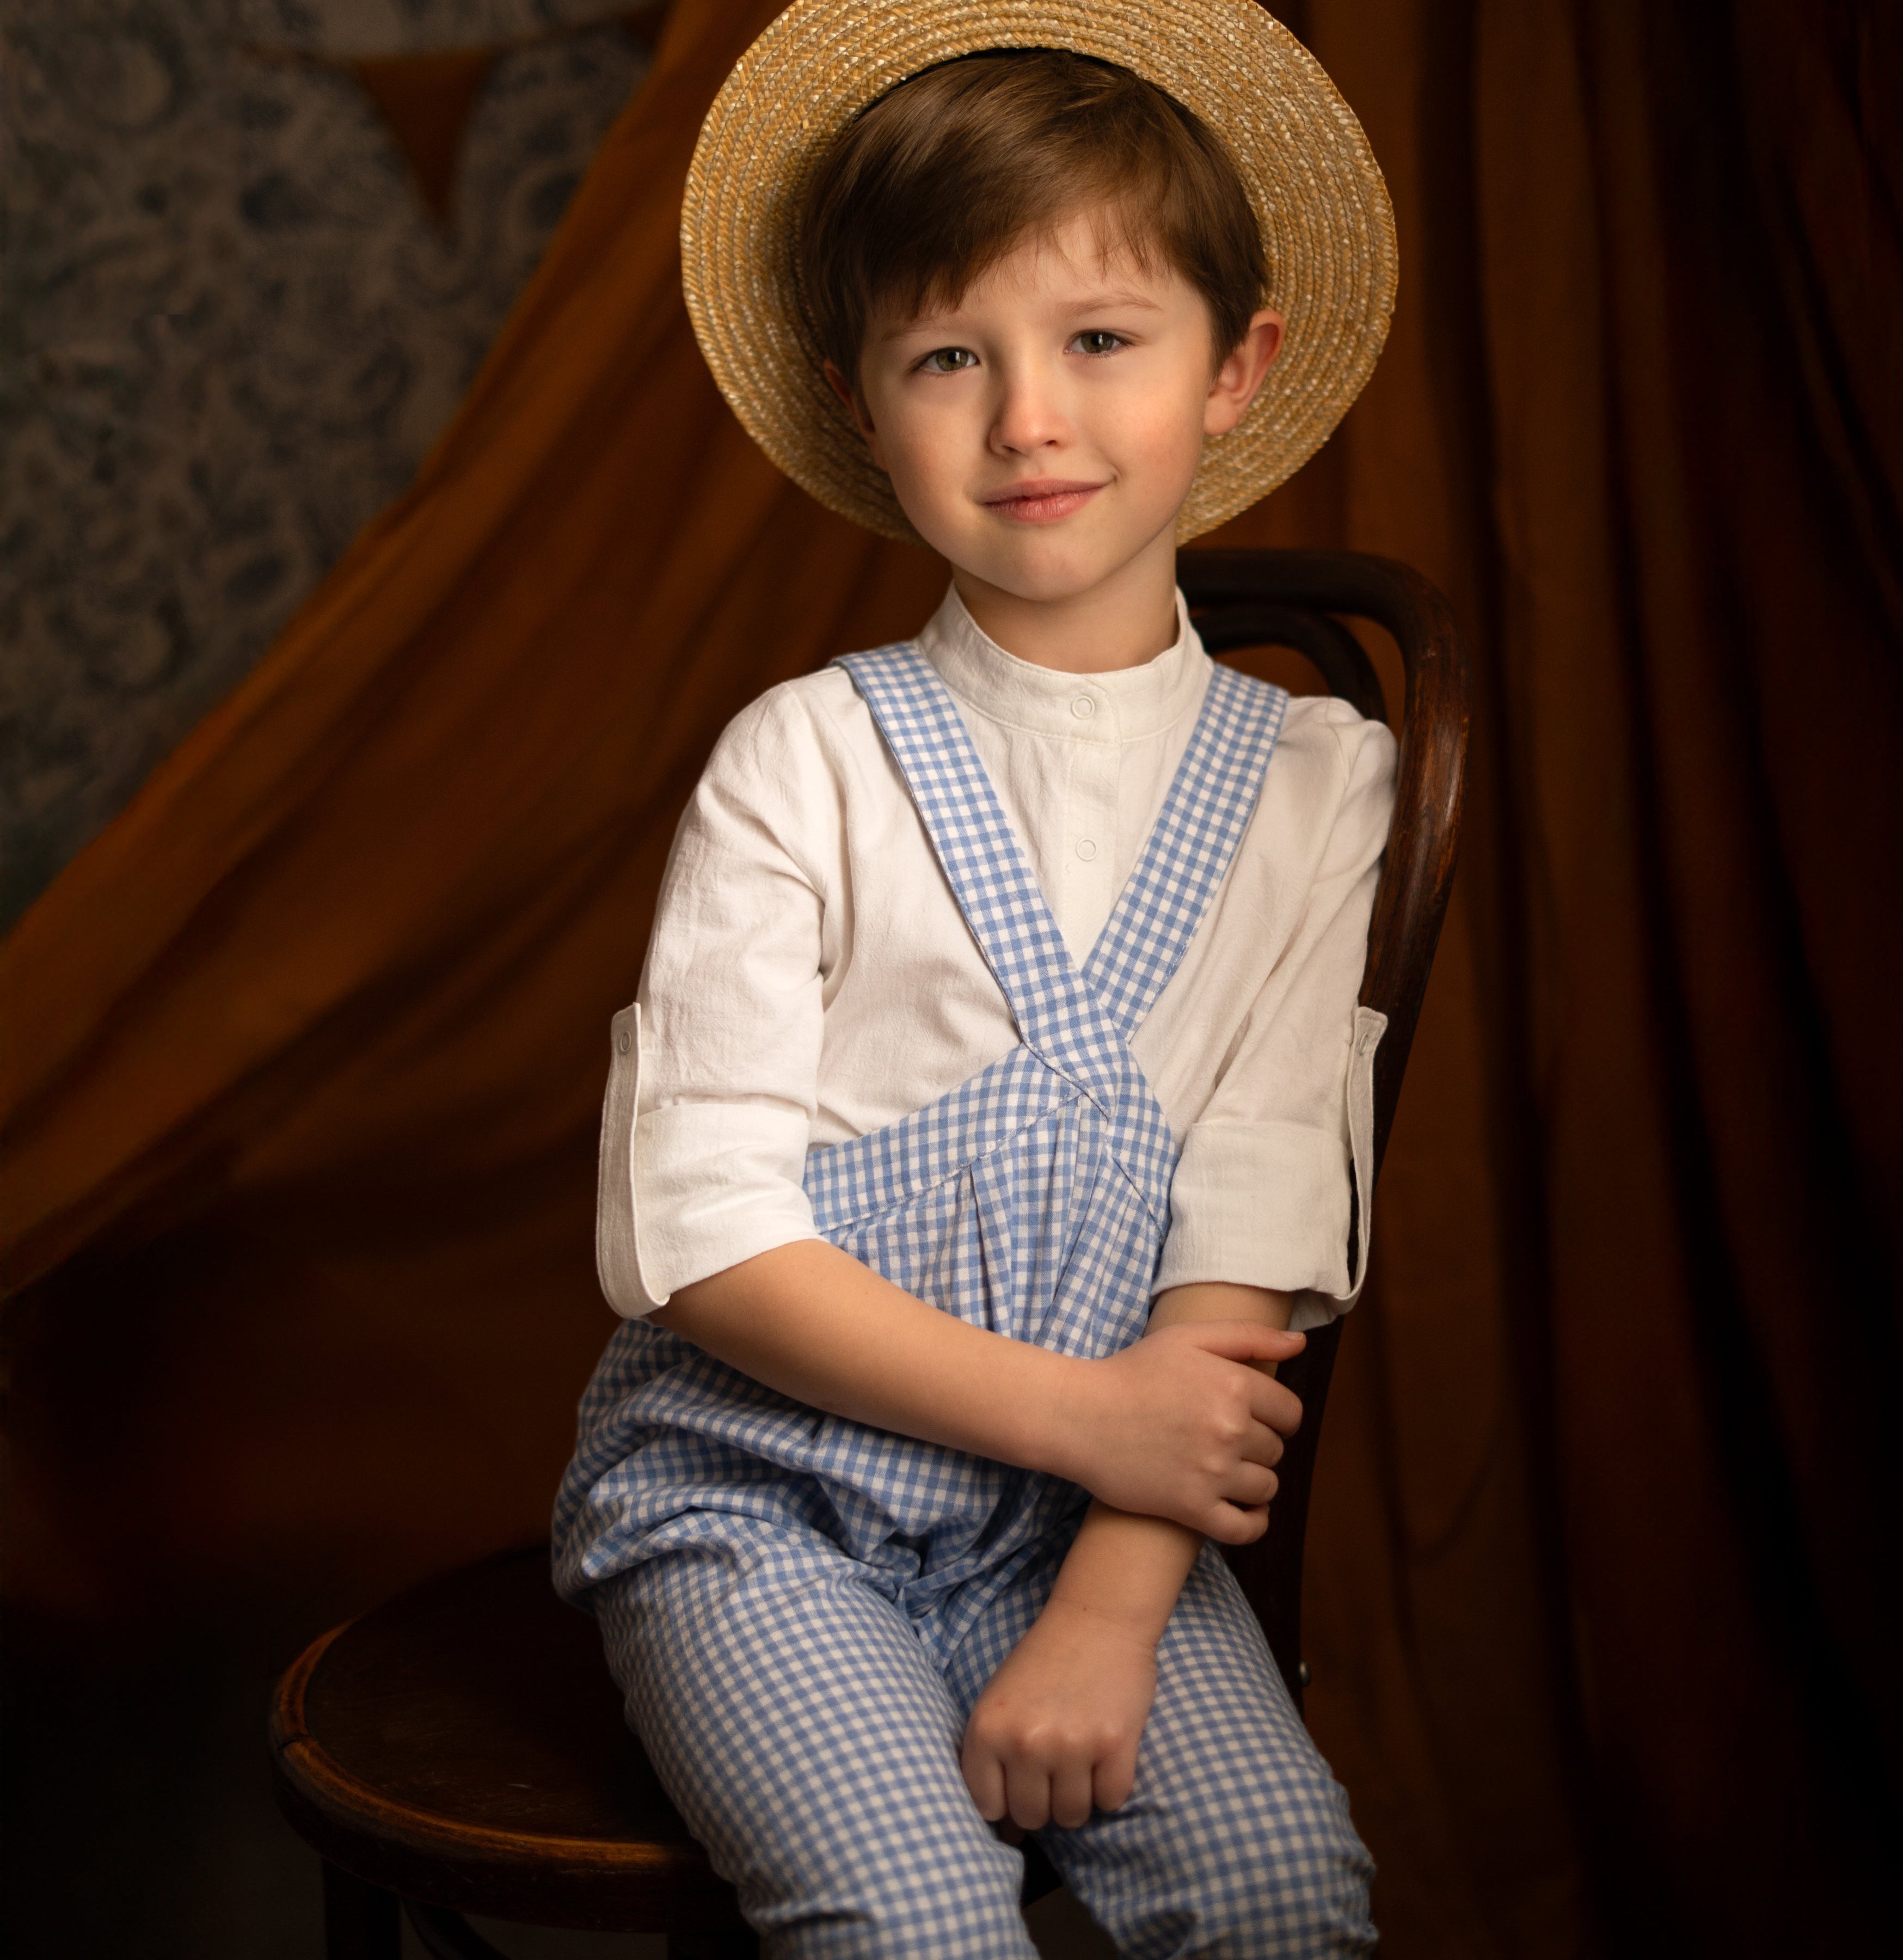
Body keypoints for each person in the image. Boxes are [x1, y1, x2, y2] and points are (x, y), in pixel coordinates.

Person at [554, 3, 1400, 1951]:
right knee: (913, 1917)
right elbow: (702, 1234)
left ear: (1234, 372)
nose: (1028, 415)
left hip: (1088, 1538)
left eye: (1101, 339)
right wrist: (1089, 1416)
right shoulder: (808, 760)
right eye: (951, 354)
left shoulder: (1310, 779)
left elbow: (1254, 1208)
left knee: (1286, 1893)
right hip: (765, 1506)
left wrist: (1113, 1596)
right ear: (870, 409)